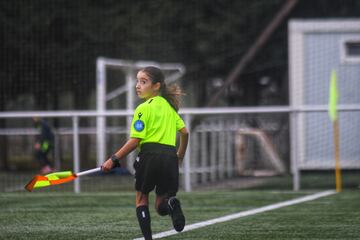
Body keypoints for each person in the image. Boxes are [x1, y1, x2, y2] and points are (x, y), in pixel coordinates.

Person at [101, 66, 189, 240]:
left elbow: (135, 141)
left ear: (156, 86)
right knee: (160, 205)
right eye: (137, 81)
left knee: (141, 199)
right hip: (170, 156)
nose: (137, 86)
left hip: (150, 156)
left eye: (143, 81)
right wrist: (179, 156)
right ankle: (172, 205)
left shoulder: (143, 108)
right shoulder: (170, 108)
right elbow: (185, 132)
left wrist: (113, 159)